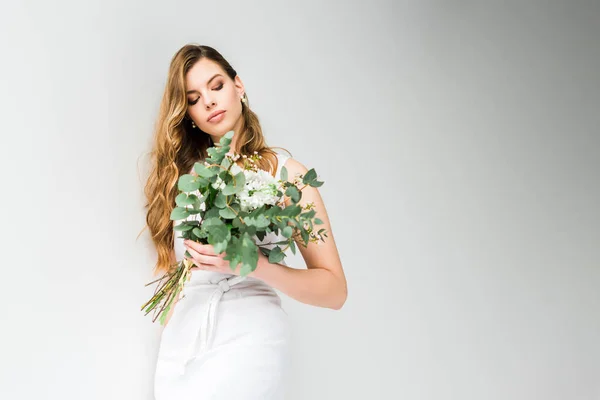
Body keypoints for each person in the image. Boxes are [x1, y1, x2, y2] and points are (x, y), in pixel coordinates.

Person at [142, 43, 347, 400]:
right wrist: (169, 330)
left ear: (239, 86)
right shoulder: (181, 177)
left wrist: (252, 265)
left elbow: (334, 291)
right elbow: (175, 271)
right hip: (185, 344)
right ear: (188, 113)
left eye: (216, 86)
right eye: (193, 98)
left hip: (251, 336)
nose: (208, 101)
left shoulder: (288, 177)